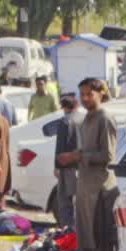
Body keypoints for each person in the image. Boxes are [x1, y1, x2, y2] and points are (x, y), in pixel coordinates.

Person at [58, 77, 119, 251]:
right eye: (82, 95)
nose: (85, 99)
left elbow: (108, 156)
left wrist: (78, 155)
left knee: (100, 242)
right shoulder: (87, 118)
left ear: (101, 92)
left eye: (89, 94)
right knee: (86, 240)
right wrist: (75, 158)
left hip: (100, 190)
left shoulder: (104, 118)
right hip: (85, 188)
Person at [53, 94, 82, 228]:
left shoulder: (65, 121)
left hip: (67, 166)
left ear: (64, 107)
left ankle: (68, 230)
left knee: (65, 201)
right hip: (83, 166)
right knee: (79, 202)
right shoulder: (85, 119)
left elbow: (60, 146)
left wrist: (57, 167)